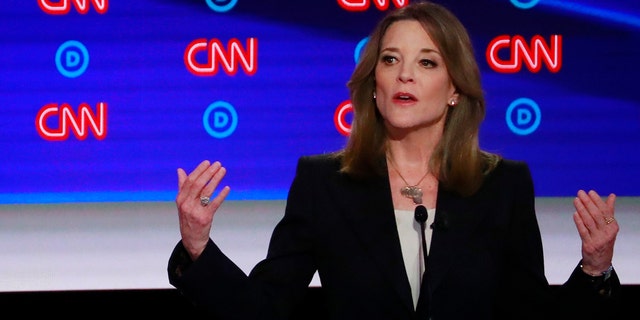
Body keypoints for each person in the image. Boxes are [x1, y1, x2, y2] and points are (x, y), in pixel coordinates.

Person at [168, 1, 621, 319]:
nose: (405, 74)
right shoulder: (324, 184)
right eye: (390, 60)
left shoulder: (502, 185)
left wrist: (595, 268)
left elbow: (529, 313)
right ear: (373, 83)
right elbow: (262, 308)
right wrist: (197, 246)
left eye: (427, 63)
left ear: (454, 89)